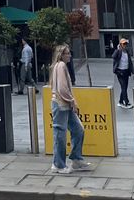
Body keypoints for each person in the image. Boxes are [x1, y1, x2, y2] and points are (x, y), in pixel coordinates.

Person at [48, 44, 90, 174]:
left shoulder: (59, 66)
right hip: (61, 104)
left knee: (78, 129)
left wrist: (71, 102)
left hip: (63, 104)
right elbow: (62, 88)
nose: (70, 56)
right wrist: (72, 102)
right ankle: (58, 165)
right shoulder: (61, 66)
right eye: (67, 53)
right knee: (60, 134)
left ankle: (76, 159)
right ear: (61, 55)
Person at [111, 38, 133, 108]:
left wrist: (133, 71)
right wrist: (117, 49)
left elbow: (130, 62)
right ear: (120, 44)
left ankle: (120, 101)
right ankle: (126, 102)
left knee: (124, 87)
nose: (125, 45)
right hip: (120, 72)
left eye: (126, 44)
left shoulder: (127, 52)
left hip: (126, 71)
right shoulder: (118, 51)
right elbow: (113, 56)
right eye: (124, 44)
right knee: (123, 87)